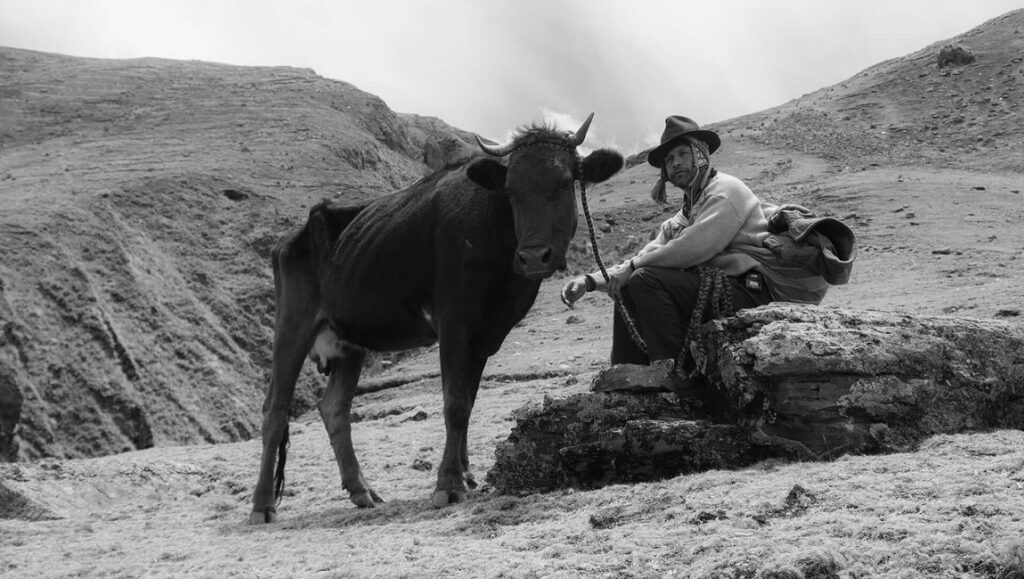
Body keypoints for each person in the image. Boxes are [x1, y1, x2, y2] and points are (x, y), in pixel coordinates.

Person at [561, 115, 835, 367]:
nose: (675, 163)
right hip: (729, 291)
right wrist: (589, 281)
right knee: (629, 286)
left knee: (645, 278)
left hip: (758, 293)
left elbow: (692, 248)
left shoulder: (726, 192)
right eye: (669, 159)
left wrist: (632, 269)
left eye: (683, 154)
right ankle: (626, 373)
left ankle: (673, 373)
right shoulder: (684, 214)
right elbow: (650, 252)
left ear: (701, 155)